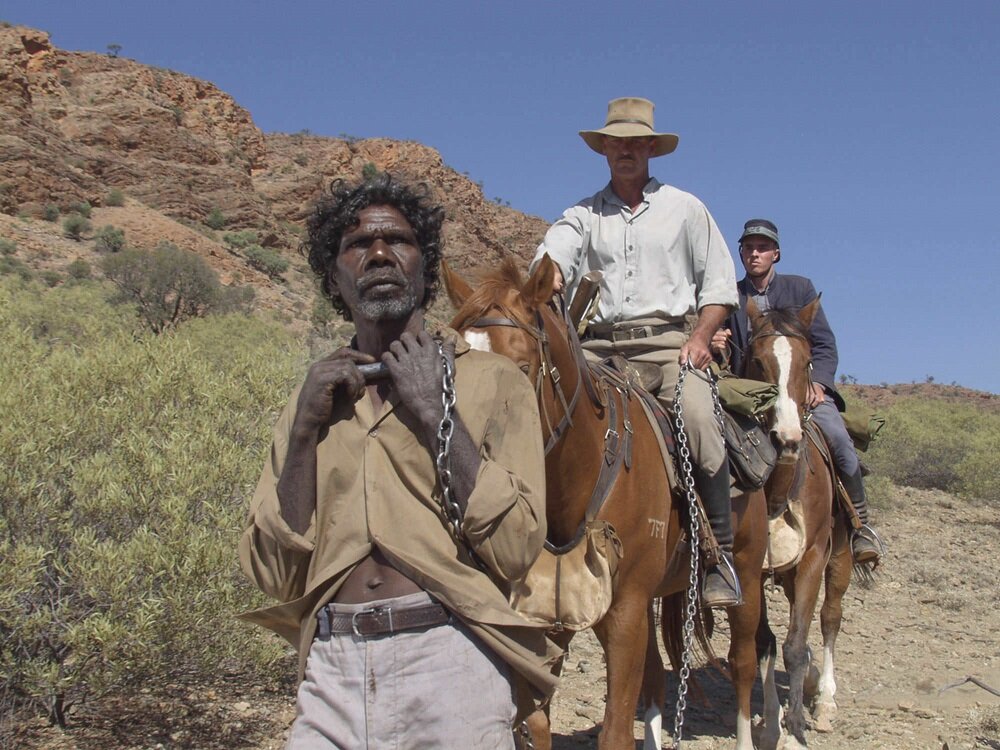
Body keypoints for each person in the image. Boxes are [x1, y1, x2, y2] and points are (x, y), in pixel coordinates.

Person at [239, 174, 559, 749]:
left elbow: (515, 549)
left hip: (453, 654)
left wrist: (439, 412)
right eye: (357, 245)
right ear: (334, 275)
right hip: (331, 666)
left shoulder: (494, 382)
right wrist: (307, 429)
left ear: (424, 264)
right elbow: (273, 572)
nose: (379, 254)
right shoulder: (312, 398)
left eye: (399, 242)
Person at [530, 97, 742, 609]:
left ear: (651, 147)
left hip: (670, 346)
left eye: (634, 142)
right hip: (597, 348)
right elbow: (554, 251)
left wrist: (699, 337)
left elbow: (718, 289)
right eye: (615, 142)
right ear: (603, 149)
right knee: (537, 408)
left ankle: (720, 556)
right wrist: (549, 272)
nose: (624, 150)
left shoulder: (686, 209)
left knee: (698, 419)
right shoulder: (582, 215)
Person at [713, 218, 883, 564]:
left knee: (838, 439)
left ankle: (860, 524)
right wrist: (717, 342)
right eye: (749, 248)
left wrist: (818, 384)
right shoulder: (730, 296)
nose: (755, 254)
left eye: (762, 248)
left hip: (801, 391)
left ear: (776, 253)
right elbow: (726, 352)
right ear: (741, 253)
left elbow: (823, 345)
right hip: (749, 396)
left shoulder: (800, 289)